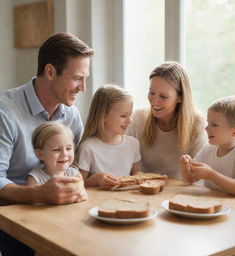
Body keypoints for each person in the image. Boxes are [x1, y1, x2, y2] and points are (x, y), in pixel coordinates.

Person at [0, 33, 93, 256]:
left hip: (62, 215)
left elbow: (76, 166)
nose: (83, 87)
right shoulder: (5, 112)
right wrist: (38, 194)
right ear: (50, 72)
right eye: (77, 78)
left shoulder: (71, 115)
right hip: (15, 222)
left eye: (85, 78)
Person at [126, 61, 207, 178]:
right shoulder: (137, 119)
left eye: (163, 96)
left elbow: (196, 176)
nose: (154, 101)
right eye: (151, 92)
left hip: (181, 192)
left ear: (180, 97)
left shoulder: (198, 126)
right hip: (143, 191)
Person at [180, 95, 235, 197]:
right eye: (208, 123)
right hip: (215, 204)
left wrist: (211, 175)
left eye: (214, 125)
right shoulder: (207, 150)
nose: (206, 128)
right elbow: (189, 180)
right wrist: (186, 167)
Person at [76, 85, 141, 189]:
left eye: (130, 115)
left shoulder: (133, 144)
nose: (130, 120)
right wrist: (97, 179)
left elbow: (136, 176)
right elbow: (78, 184)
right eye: (123, 116)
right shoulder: (88, 147)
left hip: (127, 201)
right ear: (104, 116)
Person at [26, 122, 88, 202]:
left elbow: (83, 197)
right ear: (40, 154)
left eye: (68, 148)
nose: (64, 154)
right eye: (56, 150)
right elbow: (30, 208)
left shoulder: (75, 175)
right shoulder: (34, 179)